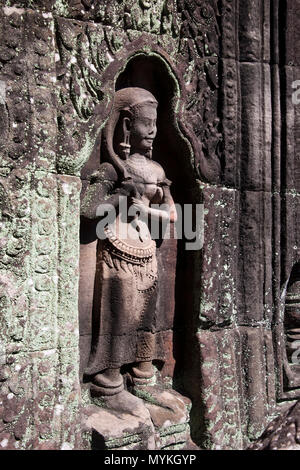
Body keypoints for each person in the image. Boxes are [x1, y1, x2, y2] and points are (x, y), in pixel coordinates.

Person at [81, 87, 177, 398]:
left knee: (148, 317)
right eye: (145, 123)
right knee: (119, 315)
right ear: (126, 125)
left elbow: (172, 214)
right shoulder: (113, 169)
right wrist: (120, 197)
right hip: (117, 252)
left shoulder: (156, 170)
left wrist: (145, 208)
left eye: (155, 124)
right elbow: (88, 210)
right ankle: (109, 383)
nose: (152, 131)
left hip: (146, 251)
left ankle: (144, 377)